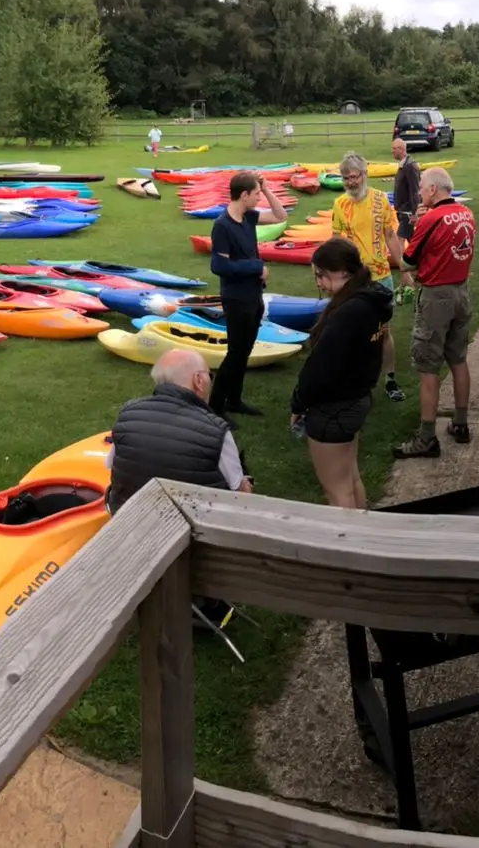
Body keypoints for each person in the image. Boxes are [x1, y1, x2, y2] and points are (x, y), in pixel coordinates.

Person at [106, 348, 248, 632]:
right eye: (208, 375)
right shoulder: (216, 429)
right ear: (198, 381)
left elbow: (111, 464)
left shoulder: (128, 412)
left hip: (133, 529)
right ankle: (204, 597)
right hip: (191, 537)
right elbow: (240, 497)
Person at [289, 239, 394, 508]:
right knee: (351, 479)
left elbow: (321, 367)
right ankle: (364, 537)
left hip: (332, 409)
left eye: (321, 275)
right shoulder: (373, 299)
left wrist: (299, 403)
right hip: (357, 400)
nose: (320, 283)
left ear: (341, 272)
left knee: (336, 490)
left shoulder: (348, 312)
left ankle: (349, 547)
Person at [393, 166, 475, 458]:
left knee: (428, 367)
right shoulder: (466, 214)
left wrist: (413, 228)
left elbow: (407, 262)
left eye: (421, 188)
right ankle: (461, 423)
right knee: (458, 359)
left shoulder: (431, 218)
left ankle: (427, 438)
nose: (418, 192)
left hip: (436, 296)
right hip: (462, 291)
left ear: (432, 189)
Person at [207, 171, 291, 417]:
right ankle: (215, 407)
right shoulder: (223, 225)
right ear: (244, 196)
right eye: (255, 195)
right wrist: (256, 267)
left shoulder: (248, 217)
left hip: (253, 296)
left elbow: (280, 215)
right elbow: (219, 266)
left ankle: (234, 400)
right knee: (235, 353)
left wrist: (265, 188)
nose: (258, 199)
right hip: (236, 299)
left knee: (244, 351)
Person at [329, 152, 409, 403]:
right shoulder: (340, 204)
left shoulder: (381, 200)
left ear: (364, 175)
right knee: (352, 331)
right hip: (352, 281)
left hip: (381, 278)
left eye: (355, 177)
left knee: (383, 331)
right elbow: (337, 243)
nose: (351, 182)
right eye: (346, 178)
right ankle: (357, 381)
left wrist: (405, 270)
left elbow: (390, 236)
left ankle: (390, 379)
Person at [390, 138, 421, 241]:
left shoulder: (410, 166)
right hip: (402, 210)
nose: (392, 151)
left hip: (407, 212)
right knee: (411, 239)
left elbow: (415, 190)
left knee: (399, 238)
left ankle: (399, 257)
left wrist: (414, 212)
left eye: (394, 149)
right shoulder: (404, 165)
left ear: (401, 149)